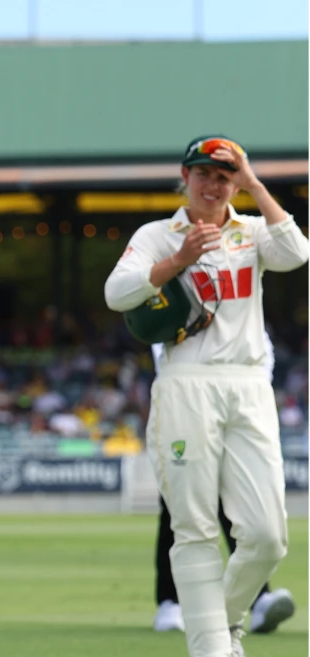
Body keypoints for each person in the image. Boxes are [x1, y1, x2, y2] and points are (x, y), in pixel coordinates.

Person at [105, 135, 308, 657]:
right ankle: (212, 648)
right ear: (186, 176)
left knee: (267, 536)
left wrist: (255, 184)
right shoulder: (157, 233)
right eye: (205, 174)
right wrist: (177, 260)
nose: (213, 185)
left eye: (224, 175)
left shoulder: (253, 230)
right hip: (185, 382)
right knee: (192, 528)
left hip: (247, 383)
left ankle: (224, 622)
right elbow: (117, 293)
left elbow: (297, 253)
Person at [149, 333, 297, 636]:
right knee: (180, 511)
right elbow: (160, 345)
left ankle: (255, 601)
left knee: (244, 513)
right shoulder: (180, 297)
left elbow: (261, 352)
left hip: (236, 408)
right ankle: (171, 602)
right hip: (186, 406)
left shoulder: (242, 309)